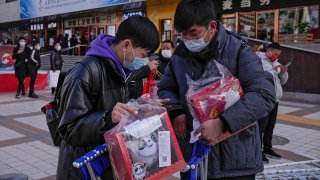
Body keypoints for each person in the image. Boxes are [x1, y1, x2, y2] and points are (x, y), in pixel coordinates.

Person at [157, 0, 276, 179]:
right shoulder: (179, 56)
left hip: (235, 160)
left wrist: (223, 123)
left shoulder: (239, 52)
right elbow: (166, 88)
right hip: (193, 158)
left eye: (193, 33)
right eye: (182, 34)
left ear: (212, 26)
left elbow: (264, 94)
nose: (187, 40)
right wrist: (176, 111)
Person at [56, 15, 160, 179]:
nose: (145, 61)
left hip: (111, 165)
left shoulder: (128, 71)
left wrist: (143, 106)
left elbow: (126, 113)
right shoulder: (84, 72)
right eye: (143, 55)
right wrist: (107, 118)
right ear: (126, 45)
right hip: (84, 169)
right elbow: (68, 130)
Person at [257, 42, 288, 163]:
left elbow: (283, 82)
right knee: (261, 127)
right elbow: (259, 77)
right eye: (275, 54)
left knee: (270, 125)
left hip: (275, 99)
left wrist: (283, 73)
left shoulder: (276, 63)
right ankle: (257, 151)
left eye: (278, 55)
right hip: (263, 99)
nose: (276, 56)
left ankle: (267, 148)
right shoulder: (258, 60)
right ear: (268, 50)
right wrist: (273, 72)